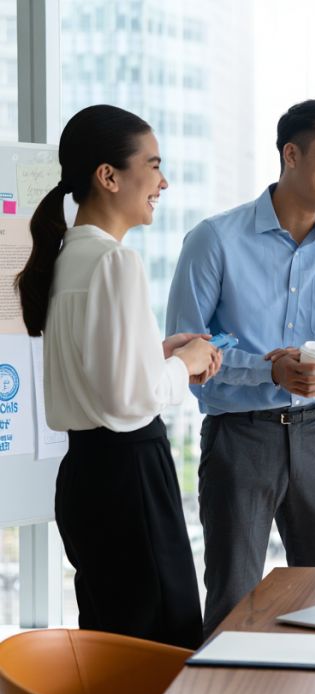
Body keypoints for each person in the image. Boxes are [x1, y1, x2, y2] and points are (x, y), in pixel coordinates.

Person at [166, 100, 315, 636]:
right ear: (291, 154)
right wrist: (268, 372)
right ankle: (225, 692)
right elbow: (184, 351)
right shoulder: (215, 239)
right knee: (234, 599)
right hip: (240, 438)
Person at [15, 105, 221, 649]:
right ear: (108, 176)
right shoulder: (115, 262)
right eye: (153, 166)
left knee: (113, 644)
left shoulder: (68, 257)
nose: (163, 182)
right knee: (163, 645)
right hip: (130, 475)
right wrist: (187, 363)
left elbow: (97, 372)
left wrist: (157, 354)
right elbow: (131, 398)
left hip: (86, 474)